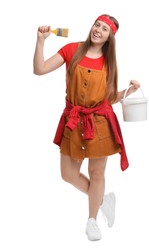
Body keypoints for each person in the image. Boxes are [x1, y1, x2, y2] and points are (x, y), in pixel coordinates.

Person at [33, 14, 140, 241]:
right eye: (97, 25)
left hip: (100, 121)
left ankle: (91, 221)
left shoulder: (109, 62)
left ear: (109, 37)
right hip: (73, 120)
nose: (98, 30)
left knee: (96, 172)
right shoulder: (72, 49)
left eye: (104, 29)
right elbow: (39, 69)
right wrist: (41, 40)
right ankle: (102, 199)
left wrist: (128, 93)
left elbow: (109, 97)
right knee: (68, 174)